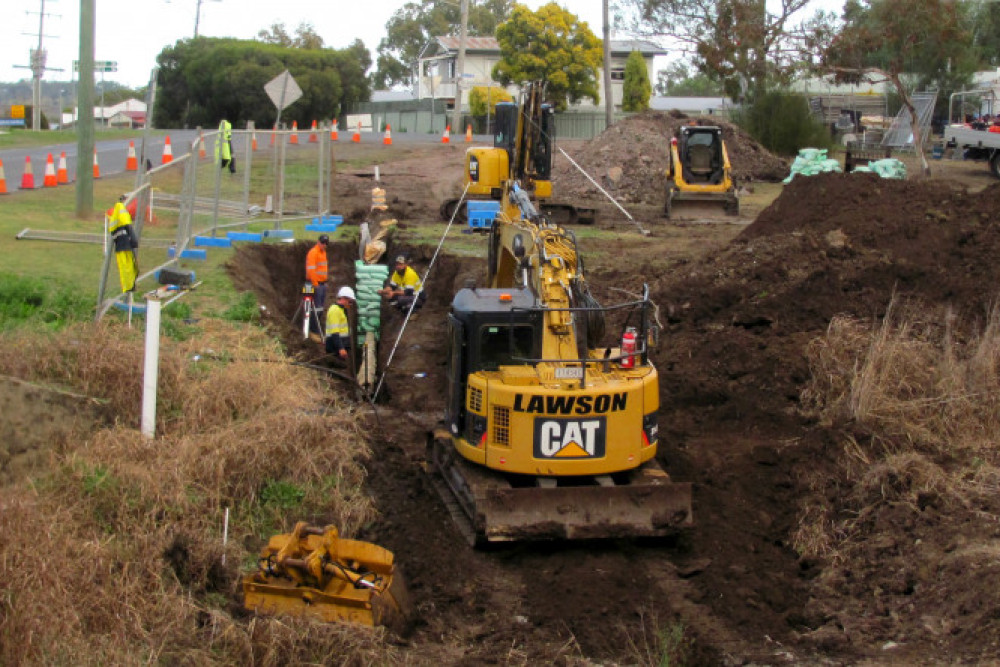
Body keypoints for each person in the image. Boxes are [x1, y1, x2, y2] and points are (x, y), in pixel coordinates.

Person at [108, 194, 139, 293]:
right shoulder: (120, 208)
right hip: (124, 243)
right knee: (127, 267)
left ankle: (129, 287)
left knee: (128, 268)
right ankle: (129, 288)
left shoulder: (118, 211)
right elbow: (127, 224)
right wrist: (133, 236)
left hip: (121, 243)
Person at [305, 234, 330, 337]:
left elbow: (322, 270)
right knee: (316, 308)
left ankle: (315, 329)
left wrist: (325, 282)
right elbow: (311, 270)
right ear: (318, 241)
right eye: (322, 242)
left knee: (320, 308)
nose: (324, 245)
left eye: (326, 243)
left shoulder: (323, 253)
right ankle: (313, 330)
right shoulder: (313, 253)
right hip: (315, 284)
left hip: (322, 284)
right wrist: (315, 284)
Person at [325, 286, 356, 360]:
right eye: (350, 302)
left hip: (340, 347)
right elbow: (335, 333)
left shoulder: (341, 310)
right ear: (343, 298)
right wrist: (341, 348)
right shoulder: (335, 311)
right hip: (335, 348)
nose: (350, 304)